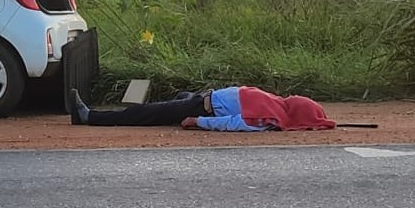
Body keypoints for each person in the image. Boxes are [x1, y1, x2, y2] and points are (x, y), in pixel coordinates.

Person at [69, 86, 337, 132]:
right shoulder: (276, 104)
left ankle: (89, 117)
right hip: (204, 98)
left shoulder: (268, 118)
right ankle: (165, 112)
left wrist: (198, 122)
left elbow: (235, 122)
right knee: (164, 106)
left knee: (146, 113)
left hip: (204, 108)